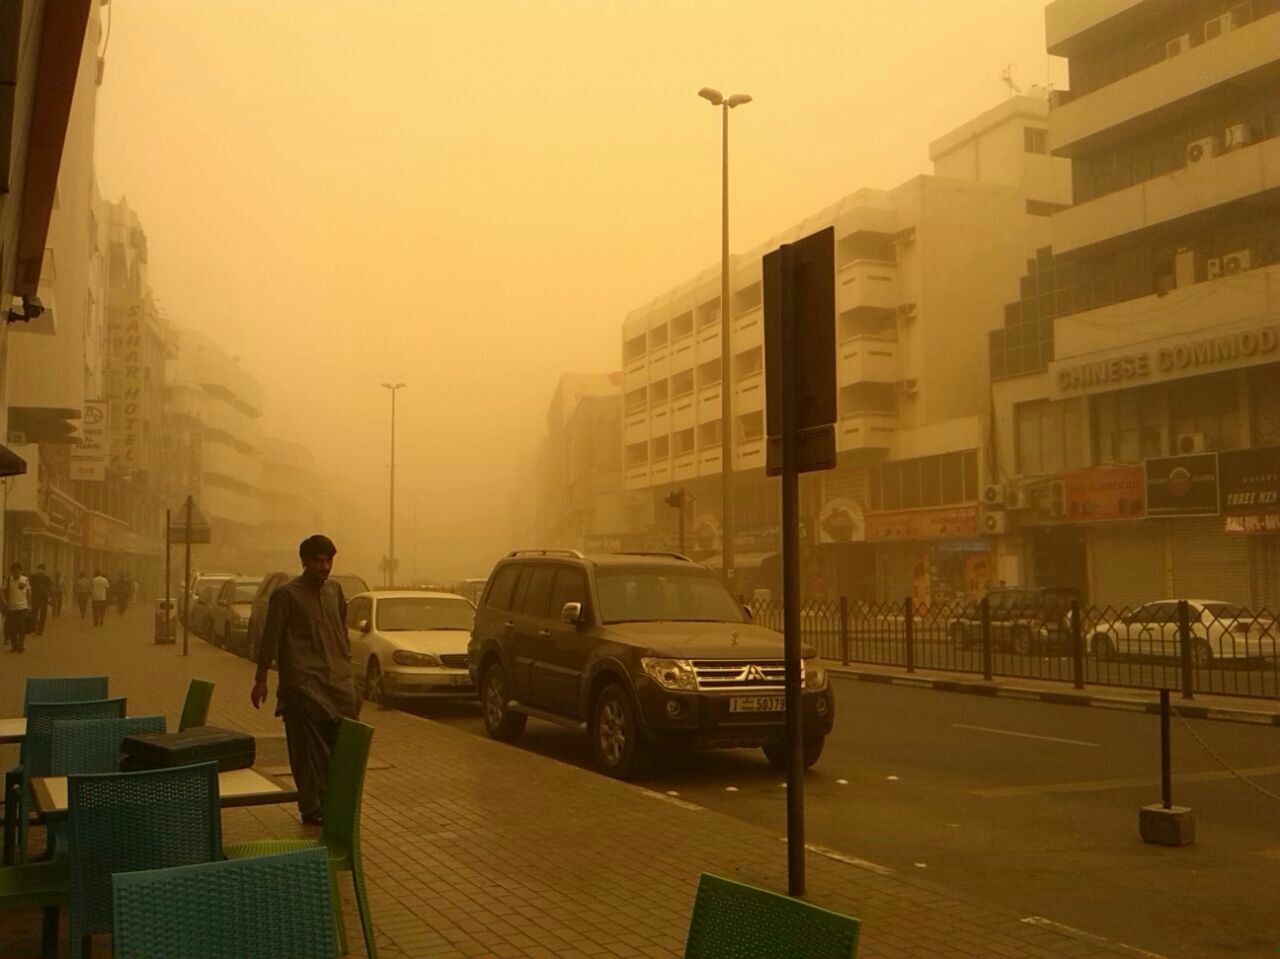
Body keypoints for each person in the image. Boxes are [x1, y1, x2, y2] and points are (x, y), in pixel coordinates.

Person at [252, 535, 359, 826]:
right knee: (306, 754)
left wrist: (347, 670)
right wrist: (261, 679)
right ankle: (312, 808)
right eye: (318, 561)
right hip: (302, 689)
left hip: (337, 688)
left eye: (329, 560)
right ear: (304, 561)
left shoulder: (335, 592)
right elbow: (269, 640)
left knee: (337, 752)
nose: (324, 567)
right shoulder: (286, 595)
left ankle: (334, 804)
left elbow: (341, 633)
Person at [3, 563, 31, 652]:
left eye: (18, 571)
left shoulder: (25, 579)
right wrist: (4, 601)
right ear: (12, 571)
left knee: (21, 627)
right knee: (12, 628)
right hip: (11, 608)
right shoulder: (8, 580)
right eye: (14, 571)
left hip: (22, 607)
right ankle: (14, 646)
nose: (16, 573)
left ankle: (21, 645)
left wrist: (29, 604)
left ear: (21, 571)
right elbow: (2, 591)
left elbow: (29, 591)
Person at [29, 564, 51, 636]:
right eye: (40, 569)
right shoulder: (45, 577)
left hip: (38, 597)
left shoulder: (34, 577)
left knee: (36, 613)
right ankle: (38, 629)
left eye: (41, 569)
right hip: (41, 597)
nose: (40, 570)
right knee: (40, 613)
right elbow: (49, 587)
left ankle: (36, 628)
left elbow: (31, 585)